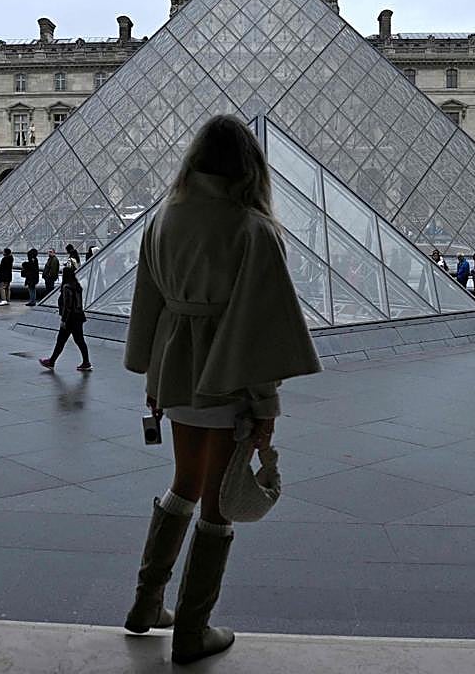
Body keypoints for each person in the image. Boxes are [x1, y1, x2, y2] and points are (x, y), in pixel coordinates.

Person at [120, 116, 321, 665]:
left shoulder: (161, 217)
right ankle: (192, 630)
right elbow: (259, 329)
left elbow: (146, 306)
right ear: (248, 167)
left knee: (182, 482)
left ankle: (146, 605)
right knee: (217, 501)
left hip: (175, 370)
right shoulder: (252, 228)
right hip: (226, 376)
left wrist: (151, 376)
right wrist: (265, 408)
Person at [38, 264, 92, 372]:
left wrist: (64, 320)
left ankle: (51, 362)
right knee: (79, 340)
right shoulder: (77, 286)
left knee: (61, 341)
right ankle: (86, 362)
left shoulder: (67, 287)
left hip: (70, 319)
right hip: (78, 316)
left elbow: (68, 305)